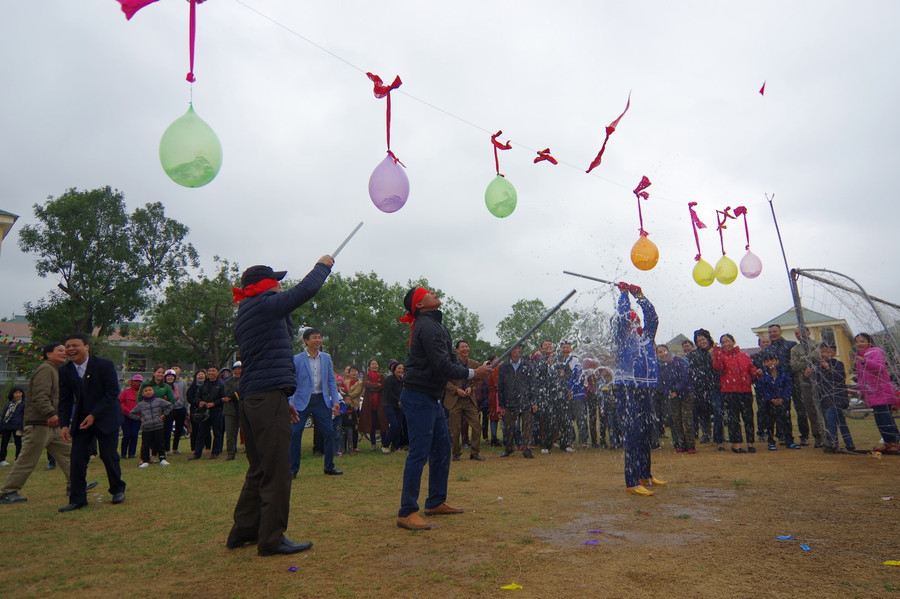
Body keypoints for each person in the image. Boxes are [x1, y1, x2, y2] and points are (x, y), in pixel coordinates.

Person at [228, 257, 332, 557]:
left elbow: (266, 363)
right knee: (277, 469)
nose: (280, 286)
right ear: (264, 285)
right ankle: (271, 538)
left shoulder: (248, 310)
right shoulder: (263, 304)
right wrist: (322, 267)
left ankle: (243, 531)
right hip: (265, 396)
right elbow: (303, 291)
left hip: (256, 396)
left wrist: (282, 398)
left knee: (259, 468)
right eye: (275, 281)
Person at [396, 287, 493, 530]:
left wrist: (475, 371)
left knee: (441, 449)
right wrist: (472, 373)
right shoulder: (427, 326)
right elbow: (442, 365)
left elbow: (448, 360)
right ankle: (407, 511)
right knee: (419, 453)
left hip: (431, 397)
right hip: (419, 396)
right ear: (419, 305)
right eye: (426, 293)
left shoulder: (436, 325)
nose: (433, 293)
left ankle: (435, 501)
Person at [0, 344, 97, 504]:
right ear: (48, 354)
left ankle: (75, 485)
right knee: (27, 459)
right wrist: (50, 413)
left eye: (64, 350)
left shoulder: (57, 370)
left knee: (70, 454)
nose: (64, 352)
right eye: (59, 350)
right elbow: (40, 395)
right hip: (40, 423)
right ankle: (7, 491)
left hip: (53, 424)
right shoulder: (46, 369)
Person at [58, 333, 126, 512]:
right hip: (82, 419)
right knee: (77, 457)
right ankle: (78, 499)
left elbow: (112, 393)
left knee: (108, 454)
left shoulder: (104, 365)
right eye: (68, 346)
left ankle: (117, 489)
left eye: (75, 345)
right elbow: (64, 400)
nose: (71, 349)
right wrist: (64, 424)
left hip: (106, 416)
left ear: (86, 347)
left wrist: (94, 414)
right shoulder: (65, 371)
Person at [612, 283, 665, 496]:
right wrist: (624, 295)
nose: (634, 322)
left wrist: (640, 296)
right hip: (626, 387)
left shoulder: (646, 338)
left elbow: (653, 318)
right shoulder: (622, 338)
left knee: (645, 431)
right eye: (631, 320)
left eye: (636, 319)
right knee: (632, 433)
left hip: (644, 388)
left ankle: (645, 474)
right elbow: (623, 315)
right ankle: (632, 481)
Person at [289, 327, 342, 477]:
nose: (318, 340)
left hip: (321, 400)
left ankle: (329, 467)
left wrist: (335, 400)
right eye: (314, 337)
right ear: (306, 341)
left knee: (330, 433)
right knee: (295, 433)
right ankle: (292, 470)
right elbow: (291, 381)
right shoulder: (296, 359)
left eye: (319, 337)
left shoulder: (326, 357)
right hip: (301, 401)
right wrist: (290, 401)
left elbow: (331, 380)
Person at [853, 333, 900, 454]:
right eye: (857, 341)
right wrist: (860, 388)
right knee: (879, 419)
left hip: (881, 391)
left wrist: (865, 362)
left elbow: (879, 367)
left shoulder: (874, 352)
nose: (859, 344)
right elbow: (860, 376)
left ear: (869, 342)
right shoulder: (859, 357)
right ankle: (888, 442)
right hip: (870, 393)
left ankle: (895, 441)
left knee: (886, 417)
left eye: (862, 341)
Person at [712, 334, 759, 453]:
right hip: (730, 391)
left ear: (733, 342)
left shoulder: (744, 356)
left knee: (748, 417)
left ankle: (750, 442)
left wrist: (756, 372)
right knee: (733, 418)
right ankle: (736, 443)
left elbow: (751, 369)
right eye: (723, 342)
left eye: (728, 341)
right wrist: (717, 352)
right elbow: (717, 367)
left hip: (746, 390)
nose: (726, 344)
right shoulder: (721, 356)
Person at [444, 341, 485, 462]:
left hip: (469, 399)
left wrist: (471, 388)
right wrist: (456, 390)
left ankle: (475, 452)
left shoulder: (474, 363)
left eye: (467, 346)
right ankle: (456, 453)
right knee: (454, 429)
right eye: (463, 347)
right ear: (457, 350)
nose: (466, 349)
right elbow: (445, 381)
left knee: (477, 426)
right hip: (455, 400)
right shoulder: (450, 363)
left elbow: (479, 380)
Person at [812, 343, 855, 453]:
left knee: (829, 416)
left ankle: (833, 442)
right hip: (826, 398)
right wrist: (808, 375)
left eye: (827, 352)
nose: (824, 354)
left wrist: (829, 369)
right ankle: (849, 443)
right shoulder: (817, 367)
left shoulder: (838, 364)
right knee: (841, 421)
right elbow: (817, 382)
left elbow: (840, 378)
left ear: (834, 353)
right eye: (822, 352)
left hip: (838, 397)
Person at [789, 327, 827, 448]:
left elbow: (820, 355)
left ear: (808, 332)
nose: (799, 335)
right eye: (796, 334)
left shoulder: (818, 344)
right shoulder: (795, 349)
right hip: (805, 383)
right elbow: (794, 366)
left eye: (801, 332)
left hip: (822, 381)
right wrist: (811, 358)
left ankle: (829, 435)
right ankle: (818, 436)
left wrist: (803, 359)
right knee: (811, 411)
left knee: (825, 409)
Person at [497, 345, 536, 458]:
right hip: (509, 401)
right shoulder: (504, 367)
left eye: (519, 349)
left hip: (525, 400)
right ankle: (508, 448)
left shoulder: (528, 365)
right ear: (509, 352)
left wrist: (533, 400)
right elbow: (500, 387)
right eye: (514, 350)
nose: (517, 352)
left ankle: (527, 449)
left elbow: (533, 384)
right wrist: (502, 405)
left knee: (527, 427)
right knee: (509, 427)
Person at [656, 344, 695, 454]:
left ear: (668, 351)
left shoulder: (678, 361)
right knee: (676, 420)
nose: (663, 354)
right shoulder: (659, 366)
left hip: (686, 393)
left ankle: (691, 445)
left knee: (687, 419)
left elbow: (685, 377)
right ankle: (681, 444)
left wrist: (676, 390)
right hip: (671, 395)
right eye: (660, 352)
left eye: (664, 351)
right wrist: (668, 391)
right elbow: (660, 382)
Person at [756, 350, 798, 450]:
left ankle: (789, 441)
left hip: (783, 402)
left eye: (772, 360)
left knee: (786, 422)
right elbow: (762, 389)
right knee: (770, 423)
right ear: (764, 363)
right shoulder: (764, 376)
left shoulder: (784, 373)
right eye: (767, 361)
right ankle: (771, 442)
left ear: (777, 361)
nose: (770, 363)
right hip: (769, 403)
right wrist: (770, 399)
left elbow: (788, 387)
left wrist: (783, 398)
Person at [687, 329, 719, 447]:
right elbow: (692, 371)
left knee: (718, 411)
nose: (701, 342)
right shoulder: (693, 354)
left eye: (703, 339)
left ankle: (718, 433)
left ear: (708, 339)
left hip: (716, 385)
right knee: (703, 412)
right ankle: (706, 433)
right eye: (698, 340)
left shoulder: (716, 351)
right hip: (700, 387)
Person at [129, 384, 173, 468]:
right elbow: (131, 413)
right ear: (142, 393)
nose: (148, 392)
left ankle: (162, 458)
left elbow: (170, 406)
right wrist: (140, 418)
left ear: (153, 391)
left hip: (158, 426)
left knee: (160, 443)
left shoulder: (159, 401)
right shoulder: (140, 404)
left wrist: (164, 414)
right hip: (147, 428)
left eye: (150, 390)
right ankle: (145, 460)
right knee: (146, 444)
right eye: (145, 391)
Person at [191, 365, 225, 460]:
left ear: (217, 373)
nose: (211, 373)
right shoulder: (203, 385)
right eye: (209, 371)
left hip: (217, 411)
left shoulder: (221, 385)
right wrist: (200, 402)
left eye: (213, 371)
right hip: (204, 412)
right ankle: (197, 453)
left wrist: (214, 403)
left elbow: (223, 398)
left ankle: (215, 452)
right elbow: (197, 396)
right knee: (201, 432)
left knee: (217, 433)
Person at [360, 360, 388, 452]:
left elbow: (383, 386)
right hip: (369, 404)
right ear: (369, 366)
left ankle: (384, 443)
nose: (375, 365)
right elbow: (366, 385)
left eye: (376, 364)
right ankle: (373, 444)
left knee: (382, 423)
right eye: (373, 364)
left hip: (380, 403)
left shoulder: (382, 376)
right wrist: (377, 385)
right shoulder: (366, 376)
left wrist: (374, 386)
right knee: (370, 423)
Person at [381, 361, 405, 453]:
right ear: (394, 370)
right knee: (394, 425)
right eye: (399, 368)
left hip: (399, 406)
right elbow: (389, 393)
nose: (401, 370)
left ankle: (395, 447)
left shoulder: (402, 381)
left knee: (399, 426)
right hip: (389, 405)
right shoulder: (389, 379)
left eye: (402, 369)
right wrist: (397, 400)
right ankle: (385, 445)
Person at [118, 374, 143, 460]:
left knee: (134, 435)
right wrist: (126, 411)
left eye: (139, 382)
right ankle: (123, 454)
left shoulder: (142, 393)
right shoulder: (126, 392)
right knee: (126, 435)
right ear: (132, 382)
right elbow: (119, 402)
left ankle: (132, 453)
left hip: (137, 417)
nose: (137, 383)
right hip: (126, 416)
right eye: (136, 381)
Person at [0, 387, 26, 466]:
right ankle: (2, 459)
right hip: (7, 426)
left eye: (19, 392)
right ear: (12, 394)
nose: (18, 394)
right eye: (16, 393)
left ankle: (18, 459)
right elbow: (4, 416)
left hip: (18, 426)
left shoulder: (24, 404)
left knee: (18, 443)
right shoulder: (9, 404)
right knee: (4, 443)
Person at [340, 365, 363, 453]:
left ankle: (355, 446)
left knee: (355, 427)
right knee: (344, 426)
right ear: (349, 373)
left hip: (355, 406)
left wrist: (347, 397)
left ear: (358, 373)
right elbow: (342, 391)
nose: (353, 373)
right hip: (345, 407)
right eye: (352, 371)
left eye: (355, 371)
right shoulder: (346, 382)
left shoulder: (360, 383)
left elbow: (356, 393)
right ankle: (344, 446)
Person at [167, 366, 189, 454]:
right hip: (170, 408)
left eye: (177, 368)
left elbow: (184, 395)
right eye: (173, 368)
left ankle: (175, 448)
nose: (175, 370)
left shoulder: (183, 382)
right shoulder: (167, 383)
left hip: (181, 408)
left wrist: (185, 408)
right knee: (167, 429)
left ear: (180, 370)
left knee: (179, 429)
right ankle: (167, 448)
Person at [223, 361, 242, 461]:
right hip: (230, 410)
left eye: (240, 369)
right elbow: (228, 392)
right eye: (236, 369)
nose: (238, 371)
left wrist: (233, 395)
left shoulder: (247, 380)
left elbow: (245, 392)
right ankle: (231, 452)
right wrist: (236, 393)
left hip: (244, 409)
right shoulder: (228, 382)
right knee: (230, 433)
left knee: (248, 432)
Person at [186, 369, 207, 452]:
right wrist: (198, 403)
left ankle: (205, 447)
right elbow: (189, 398)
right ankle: (194, 448)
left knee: (205, 429)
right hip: (195, 410)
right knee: (194, 430)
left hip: (206, 410)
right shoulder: (192, 387)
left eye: (202, 374)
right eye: (199, 374)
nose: (201, 376)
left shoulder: (208, 386)